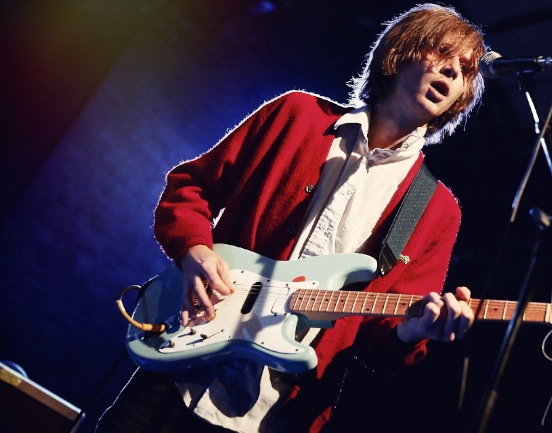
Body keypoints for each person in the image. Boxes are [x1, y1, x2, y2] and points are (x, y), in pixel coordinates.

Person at [97, 3, 488, 432]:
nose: (453, 74)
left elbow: (377, 345)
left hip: (277, 411)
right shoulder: (297, 116)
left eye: (466, 72)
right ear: (400, 53)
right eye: (443, 55)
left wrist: (414, 332)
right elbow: (190, 187)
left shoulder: (435, 210)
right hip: (180, 365)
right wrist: (195, 251)